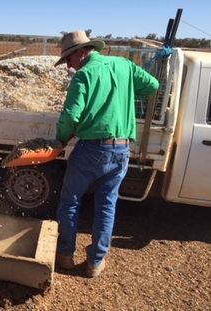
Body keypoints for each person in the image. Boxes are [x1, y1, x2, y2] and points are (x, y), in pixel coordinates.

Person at [53, 31, 159, 277]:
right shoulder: (124, 66)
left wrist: (59, 141)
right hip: (121, 150)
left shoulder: (84, 75)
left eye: (68, 59)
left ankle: (66, 255)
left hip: (91, 149)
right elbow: (153, 85)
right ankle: (95, 262)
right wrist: (126, 93)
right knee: (106, 205)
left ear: (82, 51)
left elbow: (70, 116)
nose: (68, 66)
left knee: (70, 201)